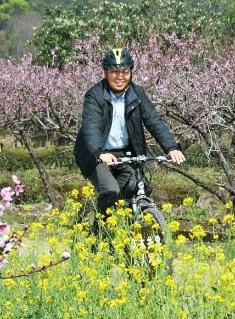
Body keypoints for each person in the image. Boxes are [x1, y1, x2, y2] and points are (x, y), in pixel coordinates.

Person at [72, 48, 185, 217]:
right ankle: (98, 235)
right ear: (105, 72)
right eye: (114, 72)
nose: (120, 77)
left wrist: (171, 147)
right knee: (111, 191)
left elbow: (154, 121)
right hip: (95, 153)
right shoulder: (94, 96)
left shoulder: (137, 94)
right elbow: (91, 127)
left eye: (124, 72)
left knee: (139, 187)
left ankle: (123, 230)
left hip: (124, 153)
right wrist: (100, 152)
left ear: (131, 72)